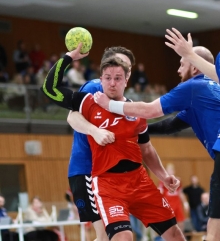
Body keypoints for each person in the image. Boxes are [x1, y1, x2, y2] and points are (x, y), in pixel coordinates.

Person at [41, 44, 186, 241]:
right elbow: (53, 93)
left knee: (175, 234)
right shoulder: (89, 97)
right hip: (104, 180)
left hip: (139, 181)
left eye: (119, 76)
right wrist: (70, 57)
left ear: (127, 79)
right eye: (108, 77)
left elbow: (147, 148)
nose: (112, 82)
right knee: (117, 237)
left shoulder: (135, 110)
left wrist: (163, 175)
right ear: (100, 78)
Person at [94, 31, 220, 241]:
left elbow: (150, 110)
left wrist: (111, 105)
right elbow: (171, 125)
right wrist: (138, 129)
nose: (178, 69)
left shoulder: (193, 86)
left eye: (182, 64)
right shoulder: (211, 91)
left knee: (214, 228)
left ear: (195, 67)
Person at [59, 46, 136, 241]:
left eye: (126, 66)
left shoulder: (126, 101)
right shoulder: (95, 87)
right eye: (118, 62)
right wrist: (95, 131)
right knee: (107, 235)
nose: (121, 67)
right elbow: (72, 117)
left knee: (113, 236)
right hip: (87, 170)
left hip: (109, 175)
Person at [158, 163, 188, 233]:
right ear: (166, 171)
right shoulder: (163, 181)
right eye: (169, 170)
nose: (170, 171)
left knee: (180, 221)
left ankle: (181, 237)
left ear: (174, 171)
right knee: (169, 223)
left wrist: (185, 203)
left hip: (177, 203)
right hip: (168, 203)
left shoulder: (178, 180)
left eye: (171, 170)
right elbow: (160, 192)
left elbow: (181, 193)